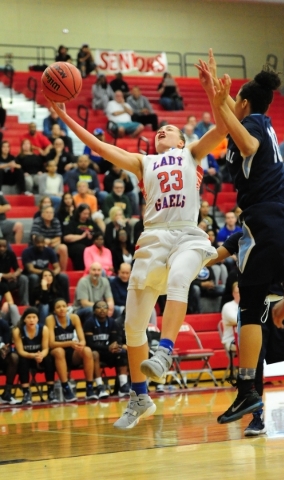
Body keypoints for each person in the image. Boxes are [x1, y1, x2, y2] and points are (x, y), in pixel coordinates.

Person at [48, 56, 226, 429]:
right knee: (131, 326)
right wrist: (65, 117)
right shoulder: (143, 161)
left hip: (187, 235)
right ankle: (140, 396)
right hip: (153, 238)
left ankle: (164, 351)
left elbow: (223, 127)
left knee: (180, 277)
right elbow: (99, 147)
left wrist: (212, 93)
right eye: (159, 129)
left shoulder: (191, 154)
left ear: (181, 139)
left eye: (170, 129)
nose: (163, 130)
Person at [209, 50, 284, 424]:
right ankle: (254, 396)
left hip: (268, 218)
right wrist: (213, 93)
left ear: (243, 103)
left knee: (250, 307)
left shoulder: (252, 126)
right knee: (273, 304)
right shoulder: (256, 122)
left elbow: (245, 143)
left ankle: (247, 392)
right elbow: (226, 124)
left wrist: (221, 102)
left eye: (233, 103)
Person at [210, 231, 284, 434]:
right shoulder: (240, 237)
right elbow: (214, 256)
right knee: (254, 365)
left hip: (280, 304)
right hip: (252, 307)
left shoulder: (281, 232)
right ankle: (257, 418)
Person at [46, 298, 98, 401]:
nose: (61, 309)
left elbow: (83, 340)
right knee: (59, 351)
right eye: (58, 307)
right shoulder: (50, 319)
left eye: (64, 306)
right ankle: (66, 388)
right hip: (56, 353)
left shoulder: (74, 317)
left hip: (72, 352)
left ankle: (89, 388)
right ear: (54, 310)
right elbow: (51, 344)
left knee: (87, 350)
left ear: (67, 308)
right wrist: (70, 343)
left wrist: (80, 345)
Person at [83, 300, 130, 398]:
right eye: (99, 307)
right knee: (95, 354)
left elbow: (114, 341)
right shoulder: (89, 322)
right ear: (94, 310)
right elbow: (90, 344)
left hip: (108, 352)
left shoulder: (112, 322)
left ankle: (123, 385)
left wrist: (114, 347)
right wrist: (108, 347)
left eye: (104, 307)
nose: (102, 309)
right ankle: (100, 386)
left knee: (121, 351)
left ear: (108, 310)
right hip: (95, 353)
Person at [13, 307, 57, 404]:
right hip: (26, 356)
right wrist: (33, 355)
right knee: (22, 360)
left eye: (34, 317)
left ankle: (51, 391)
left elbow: (46, 348)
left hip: (39, 357)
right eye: (29, 317)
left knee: (48, 359)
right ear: (24, 319)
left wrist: (41, 355)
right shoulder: (17, 331)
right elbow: (20, 351)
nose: (31, 320)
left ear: (38, 319)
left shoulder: (44, 329)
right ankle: (26, 393)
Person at [22, 234, 69, 305]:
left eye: (42, 243)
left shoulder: (49, 251)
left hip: (46, 273)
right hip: (33, 274)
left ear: (44, 243)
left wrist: (52, 274)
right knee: (34, 278)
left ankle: (65, 302)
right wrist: (46, 273)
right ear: (34, 243)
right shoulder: (27, 252)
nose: (40, 245)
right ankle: (33, 303)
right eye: (38, 243)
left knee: (63, 277)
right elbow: (31, 269)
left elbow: (57, 267)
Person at [63, 203, 101, 271]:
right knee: (81, 249)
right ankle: (80, 270)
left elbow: (99, 233)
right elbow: (66, 237)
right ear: (79, 213)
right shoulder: (73, 223)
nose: (86, 216)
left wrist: (93, 235)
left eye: (88, 214)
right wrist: (82, 236)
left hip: (90, 244)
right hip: (76, 246)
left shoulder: (91, 222)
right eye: (84, 213)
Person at [30, 205, 68, 272]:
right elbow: (35, 237)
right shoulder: (37, 221)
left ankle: (63, 271)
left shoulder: (56, 221)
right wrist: (44, 242)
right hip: (40, 245)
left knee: (63, 247)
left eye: (51, 212)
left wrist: (50, 241)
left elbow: (58, 238)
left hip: (52, 244)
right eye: (47, 212)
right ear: (42, 214)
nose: (49, 214)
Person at [0, 238, 29, 305]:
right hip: (1, 281)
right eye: (0, 246)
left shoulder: (10, 254)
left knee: (23, 278)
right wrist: (4, 275)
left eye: (4, 246)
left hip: (8, 281)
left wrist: (14, 275)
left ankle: (24, 304)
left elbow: (18, 269)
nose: (2, 248)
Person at [0, 317, 19, 404]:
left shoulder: (3, 323)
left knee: (14, 357)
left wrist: (5, 349)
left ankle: (7, 393)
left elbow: (8, 343)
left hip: (1, 357)